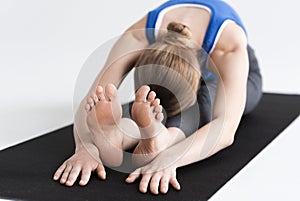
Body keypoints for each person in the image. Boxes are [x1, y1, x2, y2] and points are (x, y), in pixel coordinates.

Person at [53, 0, 262, 195]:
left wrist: (171, 158)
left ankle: (158, 137)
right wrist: (86, 148)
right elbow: (94, 97)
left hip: (237, 77)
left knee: (204, 103)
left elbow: (225, 128)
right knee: (149, 106)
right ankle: (127, 133)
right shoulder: (140, 35)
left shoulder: (228, 46)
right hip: (164, 86)